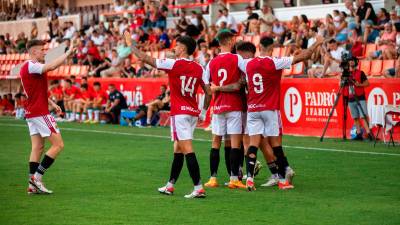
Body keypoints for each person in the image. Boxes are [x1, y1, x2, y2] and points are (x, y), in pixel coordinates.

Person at [128, 33, 212, 198]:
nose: (174, 48)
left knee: (187, 149)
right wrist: (203, 111)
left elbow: (144, 58)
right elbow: (208, 92)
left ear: (182, 48)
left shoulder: (173, 64)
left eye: (176, 45)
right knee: (178, 150)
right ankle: (170, 185)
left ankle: (198, 187)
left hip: (180, 113)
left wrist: (130, 45)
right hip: (193, 113)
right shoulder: (199, 68)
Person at [238, 36, 324, 190]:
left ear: (259, 48)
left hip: (253, 109)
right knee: (276, 145)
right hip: (269, 109)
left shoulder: (247, 63)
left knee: (253, 144)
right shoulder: (275, 62)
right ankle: (283, 181)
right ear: (271, 49)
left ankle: (249, 178)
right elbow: (305, 56)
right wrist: (317, 42)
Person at [20, 39, 75, 194]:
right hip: (39, 112)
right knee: (58, 145)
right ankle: (36, 178)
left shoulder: (28, 67)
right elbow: (51, 66)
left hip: (32, 112)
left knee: (37, 147)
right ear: (34, 52)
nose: (44, 52)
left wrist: (51, 102)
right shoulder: (32, 65)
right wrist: (68, 53)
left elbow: (35, 91)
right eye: (42, 50)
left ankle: (32, 186)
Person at [202, 32, 247, 189]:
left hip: (218, 106)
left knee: (216, 143)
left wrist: (204, 110)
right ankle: (234, 178)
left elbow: (207, 87)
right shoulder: (237, 58)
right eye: (233, 40)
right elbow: (248, 73)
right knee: (235, 143)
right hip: (233, 105)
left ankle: (213, 178)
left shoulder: (211, 63)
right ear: (230, 41)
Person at [345, 57, 374, 141]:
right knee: (355, 117)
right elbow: (340, 84)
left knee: (363, 116)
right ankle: (358, 133)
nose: (351, 63)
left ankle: (368, 133)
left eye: (352, 61)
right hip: (350, 98)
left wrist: (359, 84)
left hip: (360, 97)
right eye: (349, 61)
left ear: (355, 62)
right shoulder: (346, 74)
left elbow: (367, 83)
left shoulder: (360, 73)